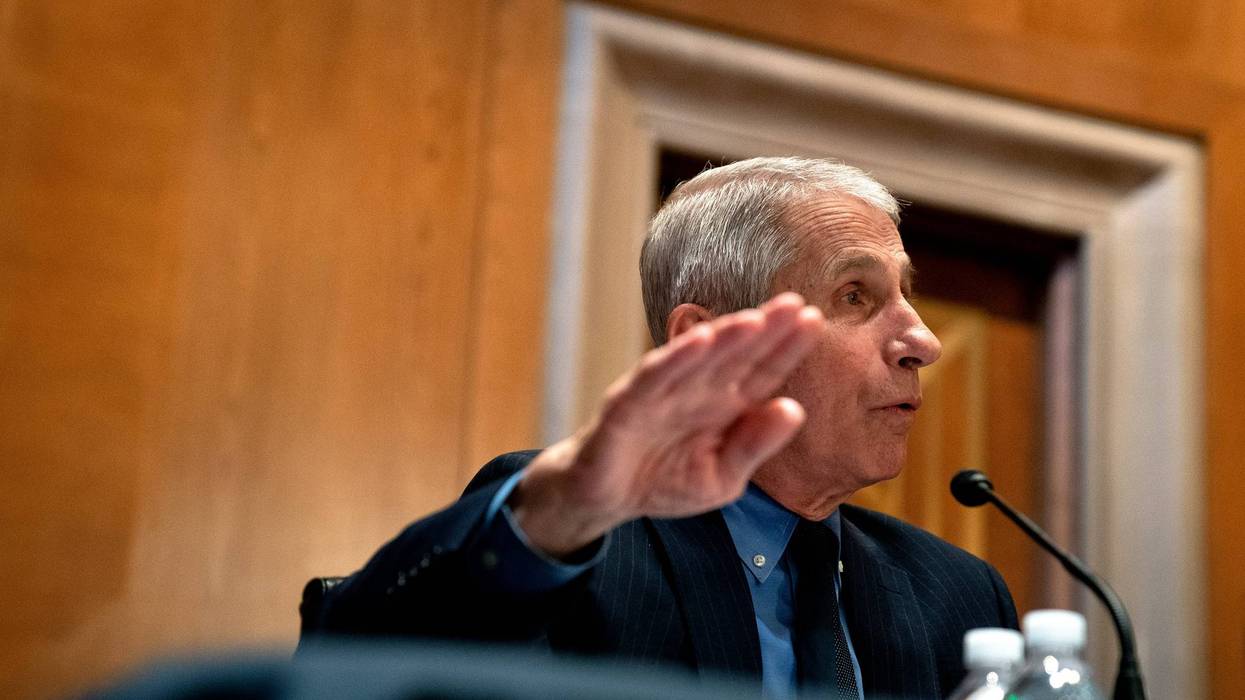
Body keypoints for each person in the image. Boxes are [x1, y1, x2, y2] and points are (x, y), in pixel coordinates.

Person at [311, 157, 1018, 698]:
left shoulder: (955, 592)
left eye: (907, 295)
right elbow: (355, 677)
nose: (922, 340)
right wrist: (559, 509)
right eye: (855, 294)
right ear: (705, 341)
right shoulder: (570, 535)